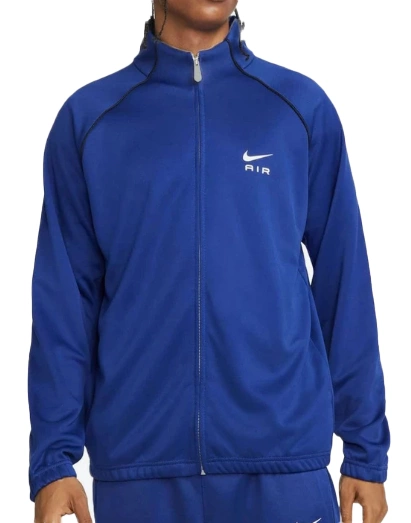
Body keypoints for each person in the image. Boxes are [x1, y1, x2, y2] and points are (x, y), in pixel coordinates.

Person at [28, 1, 390, 522]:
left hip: (284, 470)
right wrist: (53, 462)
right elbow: (65, 303)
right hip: (140, 477)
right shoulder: (91, 121)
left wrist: (365, 451)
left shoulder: (298, 109)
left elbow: (344, 280)